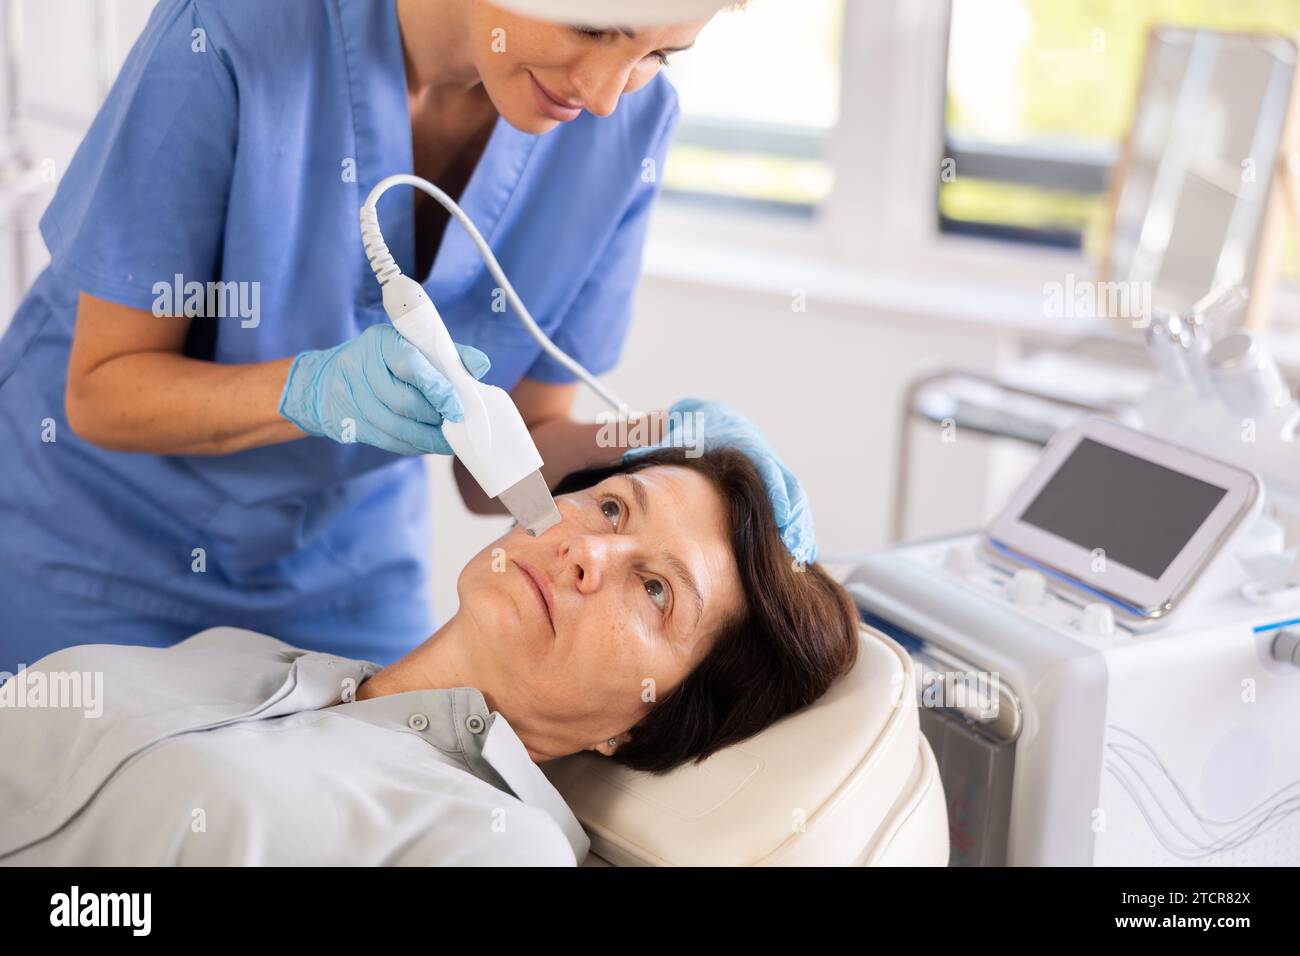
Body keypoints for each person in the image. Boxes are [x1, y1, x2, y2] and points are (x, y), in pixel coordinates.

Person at [0, 0, 772, 669]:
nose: (605, 95)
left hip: (341, 567)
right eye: (593, 27)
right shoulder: (238, 29)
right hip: (91, 544)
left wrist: (668, 435)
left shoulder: (628, 127)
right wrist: (310, 392)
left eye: (659, 53)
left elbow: (500, 466)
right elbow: (103, 392)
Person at [0, 448, 858, 866]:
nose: (590, 552)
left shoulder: (500, 844)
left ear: (646, 723)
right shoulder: (253, 658)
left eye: (658, 591)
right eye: (608, 508)